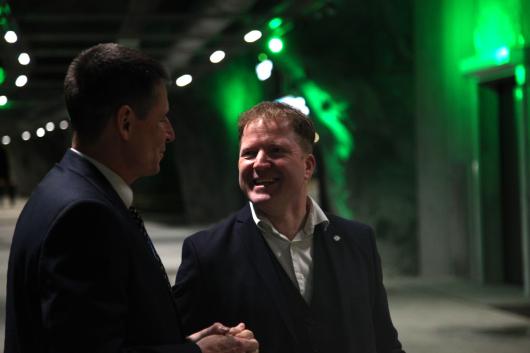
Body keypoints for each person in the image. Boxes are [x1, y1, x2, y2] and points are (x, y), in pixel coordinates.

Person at [4, 43, 258, 353]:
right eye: (161, 118)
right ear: (125, 122)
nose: (170, 133)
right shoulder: (85, 215)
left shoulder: (62, 188)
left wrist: (186, 343)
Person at [174, 101, 405, 353]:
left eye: (275, 151)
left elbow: (384, 341)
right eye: (249, 153)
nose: (259, 163)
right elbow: (182, 344)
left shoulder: (358, 241)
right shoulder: (206, 253)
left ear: (307, 166)